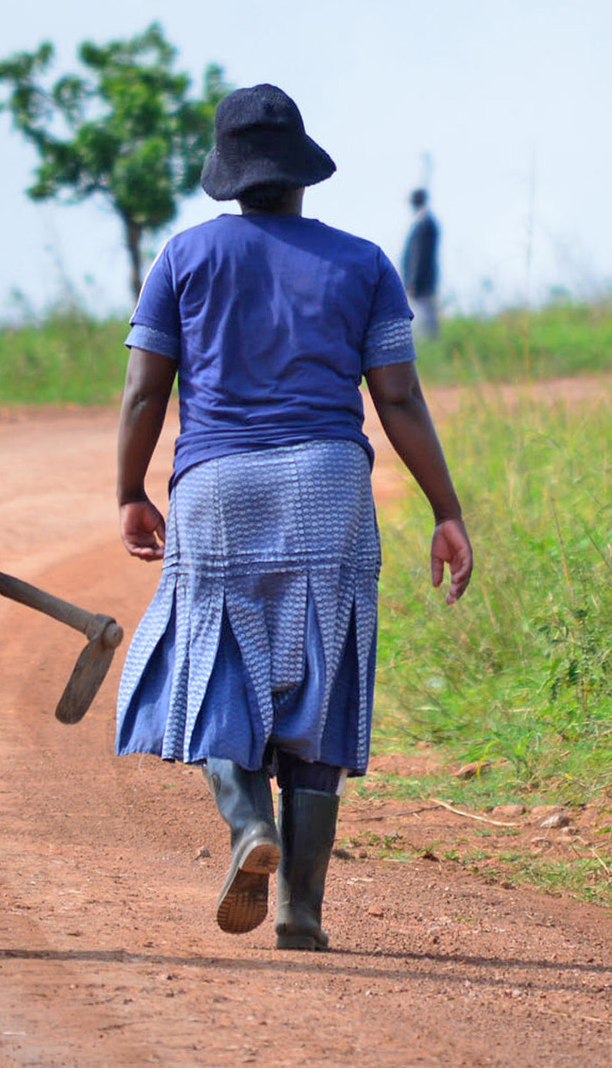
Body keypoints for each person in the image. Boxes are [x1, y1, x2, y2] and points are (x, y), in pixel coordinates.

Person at [112, 85, 475, 951]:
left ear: (229, 179)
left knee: (217, 676)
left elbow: (142, 391)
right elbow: (398, 394)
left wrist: (130, 488)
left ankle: (247, 827)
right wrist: (446, 508)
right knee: (322, 686)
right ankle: (302, 911)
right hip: (328, 486)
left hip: (218, 487)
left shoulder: (182, 257)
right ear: (302, 172)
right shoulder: (364, 263)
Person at [401, 188, 441, 341]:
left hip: (421, 285)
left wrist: (413, 281)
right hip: (423, 283)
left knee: (424, 322)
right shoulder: (423, 222)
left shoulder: (425, 223)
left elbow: (419, 256)